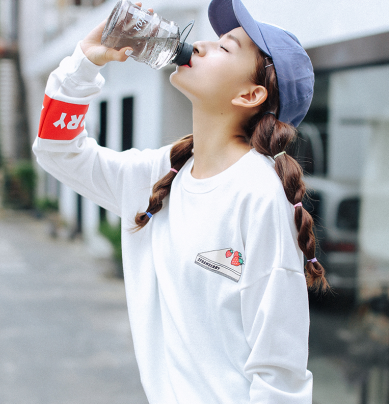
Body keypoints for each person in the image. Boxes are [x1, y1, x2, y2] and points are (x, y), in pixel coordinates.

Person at [33, 0, 329, 402]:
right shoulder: (166, 170)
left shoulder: (259, 196)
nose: (202, 46)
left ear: (250, 94)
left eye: (226, 48)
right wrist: (86, 61)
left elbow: (280, 376)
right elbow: (57, 151)